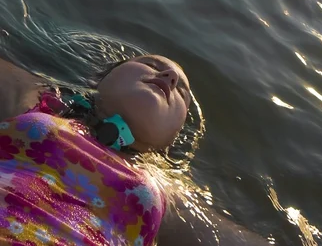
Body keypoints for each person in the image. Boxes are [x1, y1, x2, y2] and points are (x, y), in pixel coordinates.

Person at [0, 55, 270, 245]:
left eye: (182, 95)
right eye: (150, 64)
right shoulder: (38, 99)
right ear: (102, 80)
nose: (171, 77)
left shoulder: (167, 193)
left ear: (172, 137)